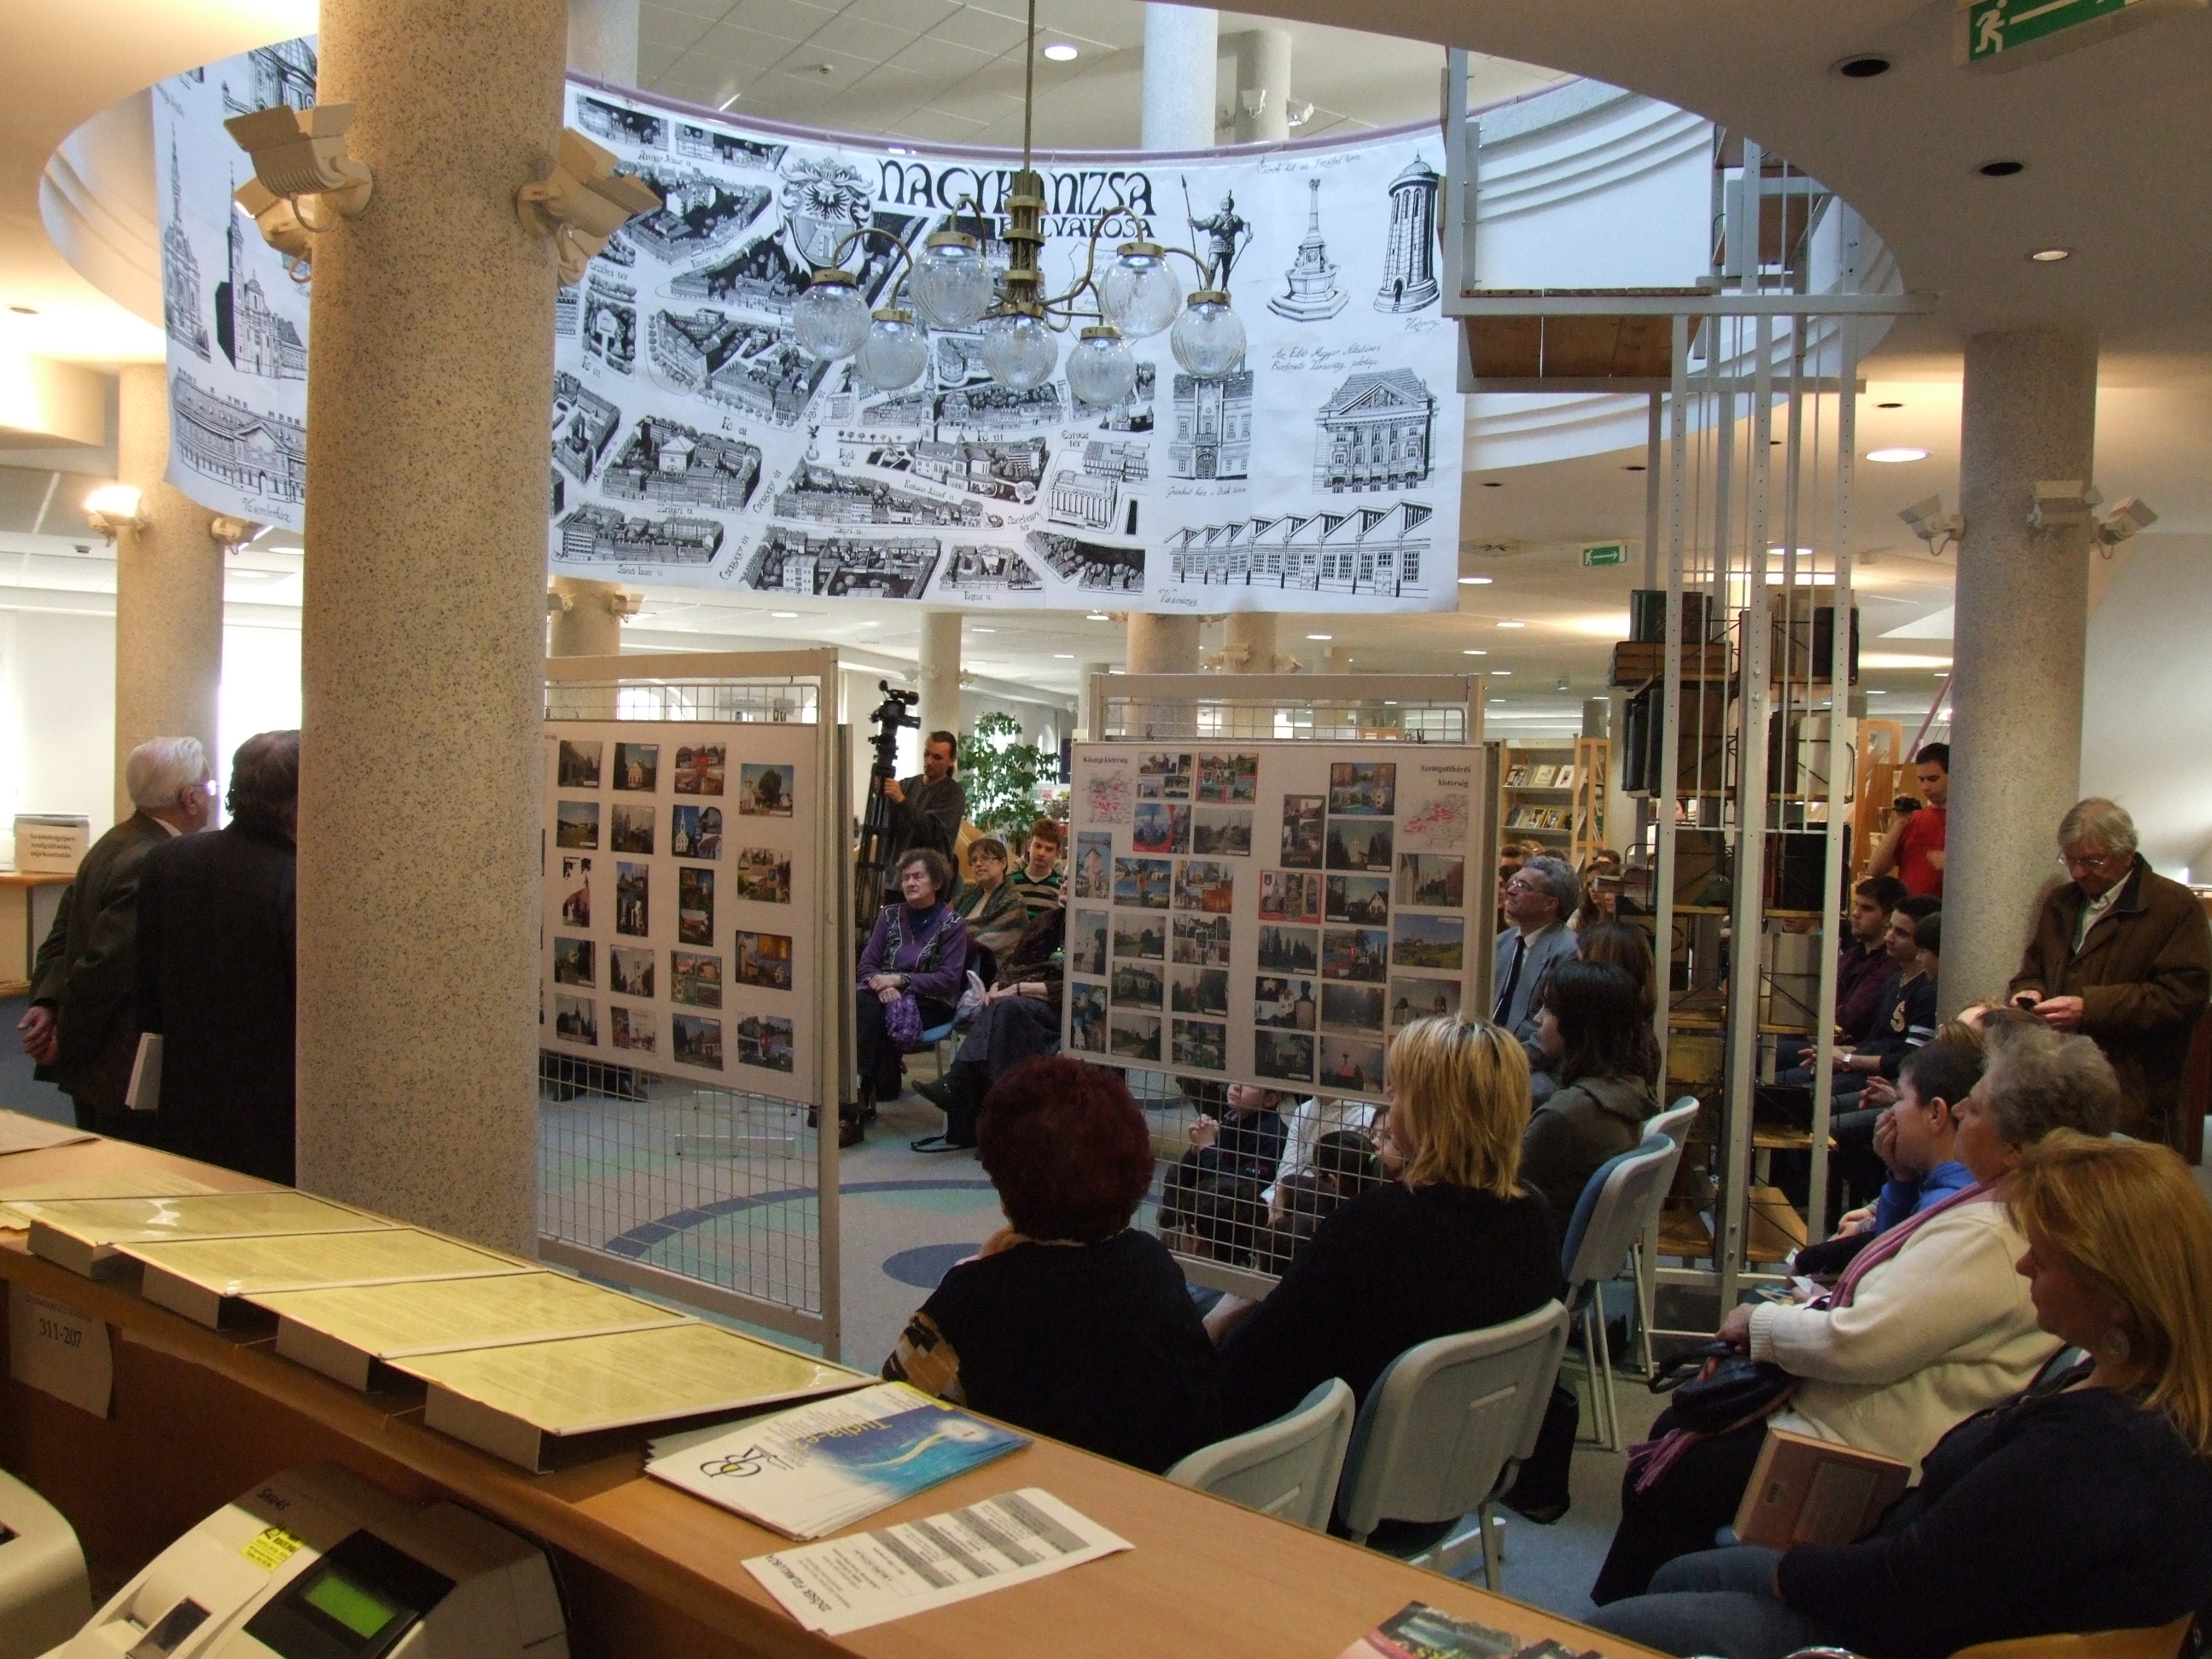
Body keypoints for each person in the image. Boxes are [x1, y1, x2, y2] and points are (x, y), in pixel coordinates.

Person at [1588, 1132, 2212, 1659]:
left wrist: (1790, 1572)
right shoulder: (2137, 1391)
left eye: (2044, 1262)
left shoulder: (2094, 1452)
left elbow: (1907, 1587)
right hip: (1906, 1589)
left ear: (2114, 1297)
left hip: (1887, 1631)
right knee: (1678, 1574)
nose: (2023, 1269)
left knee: (1615, 1632)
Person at [1592, 1019, 2117, 1602]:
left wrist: (1761, 1325)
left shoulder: (1992, 1234)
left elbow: (1862, 1342)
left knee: (1676, 1468)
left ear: (2016, 1146)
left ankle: (1621, 1626)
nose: (1963, 1110)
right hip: (1867, 1426)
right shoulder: (2000, 1209)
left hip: (1861, 1460)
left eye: (1978, 1105)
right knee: (1683, 1437)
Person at [1214, 1015, 1561, 1434]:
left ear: (1432, 1110)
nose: (1389, 1093)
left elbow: (1250, 1368)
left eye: (1401, 1086)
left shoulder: (1373, 1227)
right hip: (1469, 1444)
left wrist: (1214, 1325)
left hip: (1340, 1450)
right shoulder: (1534, 1219)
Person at [882, 1057, 1220, 1474]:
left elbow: (891, 1420)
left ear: (1003, 1179)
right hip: (1156, 1496)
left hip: (1021, 1497)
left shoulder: (971, 1297)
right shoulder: (1154, 1265)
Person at [20, 736, 212, 1139]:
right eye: (208, 787)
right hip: (118, 1065)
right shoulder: (155, 860)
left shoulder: (114, 840)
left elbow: (61, 935)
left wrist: (48, 1002)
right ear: (189, 798)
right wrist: (65, 1036)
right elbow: (106, 965)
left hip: (96, 1066)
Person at [136, 731, 298, 1184]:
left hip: (184, 1088)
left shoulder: (167, 859)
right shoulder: (295, 879)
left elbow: (146, 978)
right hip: (272, 1105)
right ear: (298, 801)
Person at [2009, 796, 2212, 1150]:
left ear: (2128, 853)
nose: (2079, 872)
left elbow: (2183, 996)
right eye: (2070, 860)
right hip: (2058, 1081)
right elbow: (2034, 968)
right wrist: (2028, 991)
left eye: (2092, 861)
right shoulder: (2061, 902)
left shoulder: (2175, 906)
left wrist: (2090, 1008)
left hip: (2134, 1089)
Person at [1519, 960, 1662, 1235]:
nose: (1538, 1018)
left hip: (1532, 1248)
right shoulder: (1629, 1091)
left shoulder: (1564, 1117)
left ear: (1577, 1022)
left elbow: (1494, 1190)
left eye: (1549, 1008)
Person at [912, 905, 1064, 1154]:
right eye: (1065, 883)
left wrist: (1017, 989)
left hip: (1062, 1011)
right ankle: (992, 1126)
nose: (1065, 887)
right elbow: (1012, 964)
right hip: (1021, 1005)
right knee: (1001, 1015)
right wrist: (996, 987)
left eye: (1072, 884)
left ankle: (960, 1086)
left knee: (1006, 1012)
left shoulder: (1092, 928)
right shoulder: (1047, 921)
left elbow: (1075, 989)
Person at [853, 848, 968, 1140]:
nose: (910, 883)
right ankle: (858, 1091)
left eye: (918, 877)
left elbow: (949, 980)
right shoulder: (889, 915)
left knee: (868, 1012)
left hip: (930, 1003)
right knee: (862, 1003)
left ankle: (857, 1096)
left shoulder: (953, 924)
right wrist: (884, 986)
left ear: (937, 883)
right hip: (881, 995)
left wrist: (900, 980)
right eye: (906, 878)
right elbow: (866, 965)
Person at [1158, 1084, 1292, 1260]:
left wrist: (1207, 1147)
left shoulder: (1271, 1134)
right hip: (1214, 1201)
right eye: (1235, 1079)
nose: (1236, 1086)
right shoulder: (1232, 1118)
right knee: (1175, 1174)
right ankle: (1179, 1227)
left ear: (1270, 1099)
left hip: (1239, 1217)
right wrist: (1196, 1150)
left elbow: (1238, 1192)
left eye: (1249, 1085)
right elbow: (1193, 1174)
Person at [1493, 855, 1580, 1044]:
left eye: (1523, 886)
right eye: (1513, 883)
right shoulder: (1501, 942)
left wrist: (1508, 1058)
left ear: (1550, 904)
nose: (1511, 891)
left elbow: (1554, 1034)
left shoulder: (1569, 952)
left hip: (1527, 1057)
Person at [881, 730, 966, 893]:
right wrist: (882, 795)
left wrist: (901, 801)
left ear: (951, 761)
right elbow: (889, 828)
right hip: (897, 879)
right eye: (927, 754)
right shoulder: (906, 785)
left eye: (937, 757)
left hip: (928, 883)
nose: (929, 761)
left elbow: (931, 832)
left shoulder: (953, 793)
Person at [1867, 742, 1948, 898]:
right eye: (1921, 780)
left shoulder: (1968, 823)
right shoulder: (1915, 819)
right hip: (1908, 908)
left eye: (1933, 779)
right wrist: (1900, 823)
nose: (1925, 787)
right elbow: (1875, 869)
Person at [951, 836, 1027, 962]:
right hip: (956, 962)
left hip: (992, 969)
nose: (978, 864)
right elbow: (942, 923)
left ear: (1003, 863)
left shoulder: (1015, 902)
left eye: (985, 858)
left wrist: (950, 936)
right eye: (974, 860)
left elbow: (983, 942)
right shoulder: (965, 897)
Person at [1011, 818, 1064, 917]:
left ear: (1057, 853)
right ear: (1029, 846)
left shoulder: (1061, 888)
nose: (1041, 853)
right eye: (1038, 846)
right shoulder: (1010, 883)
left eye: (1049, 849)